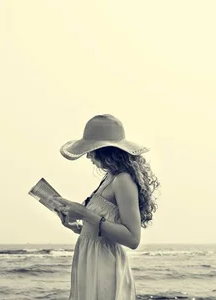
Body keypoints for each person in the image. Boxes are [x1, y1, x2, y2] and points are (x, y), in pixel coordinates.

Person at [49, 114, 160, 300]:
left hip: (104, 266)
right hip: (90, 261)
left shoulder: (123, 180)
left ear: (105, 150)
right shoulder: (109, 178)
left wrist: (84, 213)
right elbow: (101, 230)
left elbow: (133, 238)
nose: (88, 156)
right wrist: (76, 226)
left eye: (91, 150)